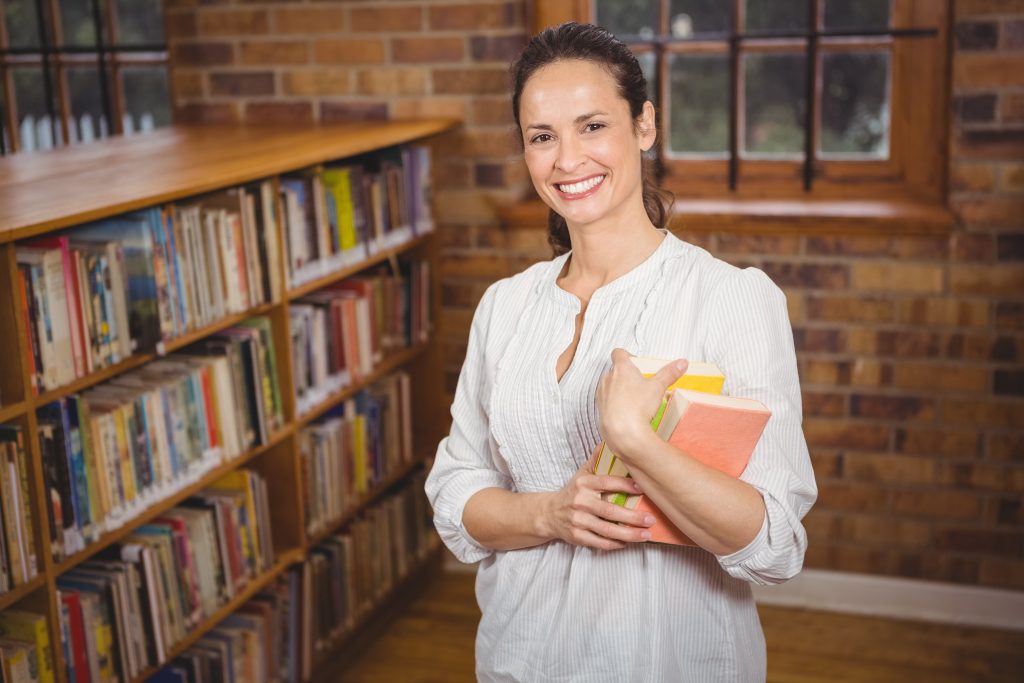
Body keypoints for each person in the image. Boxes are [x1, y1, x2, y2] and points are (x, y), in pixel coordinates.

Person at [425, 22, 817, 682]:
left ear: (644, 125)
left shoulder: (731, 300)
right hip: (516, 661)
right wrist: (550, 511)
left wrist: (637, 440)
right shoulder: (505, 307)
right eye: (542, 137)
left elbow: (773, 543)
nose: (567, 159)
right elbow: (455, 492)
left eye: (592, 126)